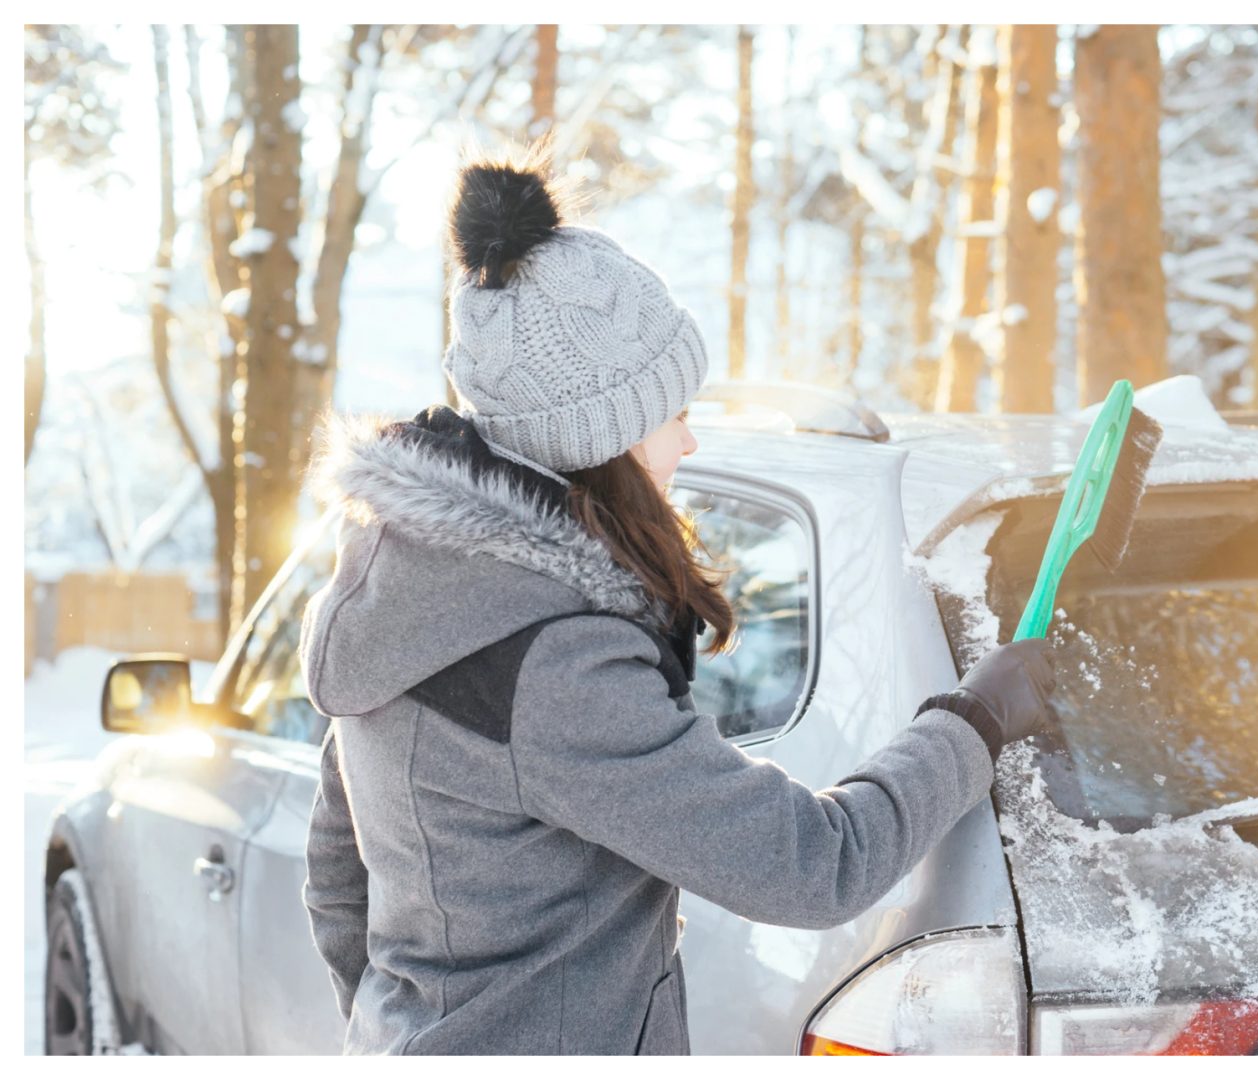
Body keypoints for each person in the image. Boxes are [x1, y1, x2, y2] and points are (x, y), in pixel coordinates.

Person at [297, 146, 1059, 1056]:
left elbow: (341, 883)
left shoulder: (410, 591)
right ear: (602, 435)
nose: (687, 441)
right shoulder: (553, 662)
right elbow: (811, 868)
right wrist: (975, 718)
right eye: (671, 413)